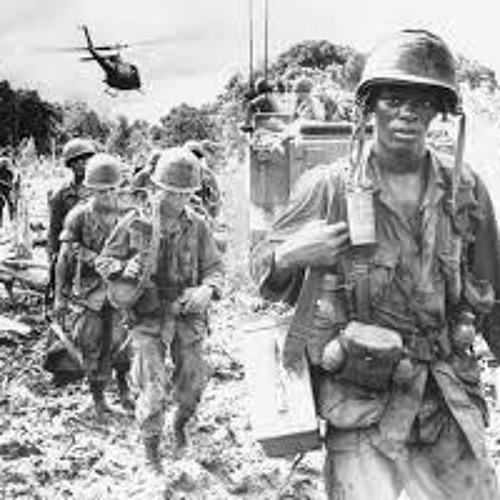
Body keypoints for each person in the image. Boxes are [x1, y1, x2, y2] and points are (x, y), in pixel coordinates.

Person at [251, 29, 500, 499]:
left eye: (422, 102)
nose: (407, 113)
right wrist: (291, 255)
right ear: (370, 107)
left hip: (445, 396)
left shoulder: (465, 190)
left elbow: (494, 294)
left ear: (439, 111)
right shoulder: (328, 186)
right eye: (393, 99)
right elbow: (262, 272)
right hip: (362, 399)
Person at [96, 147, 223, 473]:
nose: (179, 199)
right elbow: (104, 260)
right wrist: (122, 269)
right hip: (147, 316)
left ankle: (180, 427)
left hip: (186, 313)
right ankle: (151, 449)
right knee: (152, 387)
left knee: (191, 384)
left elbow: (214, 268)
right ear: (157, 186)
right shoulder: (134, 222)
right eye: (172, 191)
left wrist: (207, 289)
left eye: (186, 193)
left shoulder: (198, 225)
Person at [53, 153, 134, 420]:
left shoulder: (129, 215)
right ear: (90, 189)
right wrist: (59, 298)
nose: (108, 195)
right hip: (89, 292)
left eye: (112, 188)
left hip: (121, 288)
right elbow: (64, 258)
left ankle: (124, 390)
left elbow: (142, 251)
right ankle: (99, 399)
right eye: (101, 190)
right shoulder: (78, 216)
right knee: (91, 345)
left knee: (122, 343)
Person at [47, 138, 97, 304]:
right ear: (70, 164)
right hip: (70, 245)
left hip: (94, 246)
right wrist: (52, 253)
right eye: (77, 161)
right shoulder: (61, 194)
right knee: (61, 285)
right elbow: (54, 227)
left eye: (86, 159)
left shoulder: (99, 189)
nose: (83, 164)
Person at [183, 140, 222, 219]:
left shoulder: (208, 176)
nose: (195, 159)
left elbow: (215, 205)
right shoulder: (175, 173)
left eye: (198, 156)